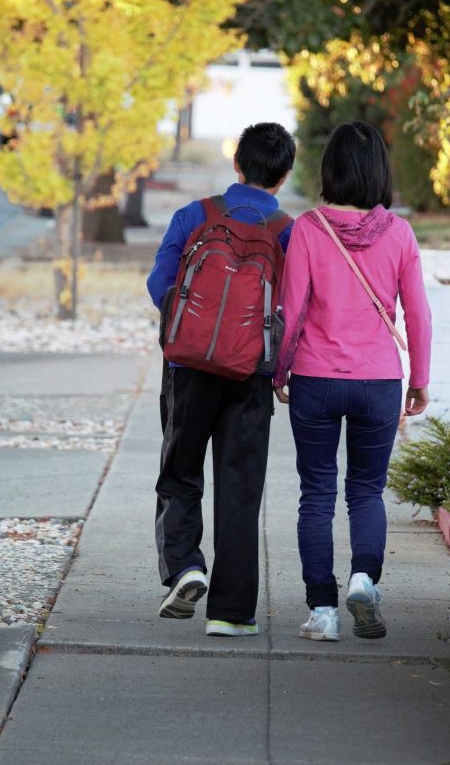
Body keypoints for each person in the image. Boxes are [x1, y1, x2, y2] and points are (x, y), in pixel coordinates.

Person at [272, 121, 431, 642]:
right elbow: (418, 314)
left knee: (316, 493)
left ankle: (322, 611)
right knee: (367, 491)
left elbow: (291, 311)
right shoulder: (400, 234)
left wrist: (280, 371)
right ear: (380, 172)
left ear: (330, 170)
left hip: (315, 378)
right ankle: (364, 578)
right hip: (379, 380)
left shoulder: (309, 228)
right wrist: (420, 378)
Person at [147, 122, 295, 637]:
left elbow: (160, 282)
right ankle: (231, 613)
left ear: (237, 163)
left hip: (188, 368)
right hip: (251, 372)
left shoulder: (195, 215)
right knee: (239, 485)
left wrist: (191, 331)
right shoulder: (286, 231)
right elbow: (293, 307)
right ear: (284, 175)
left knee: (179, 471)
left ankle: (185, 566)